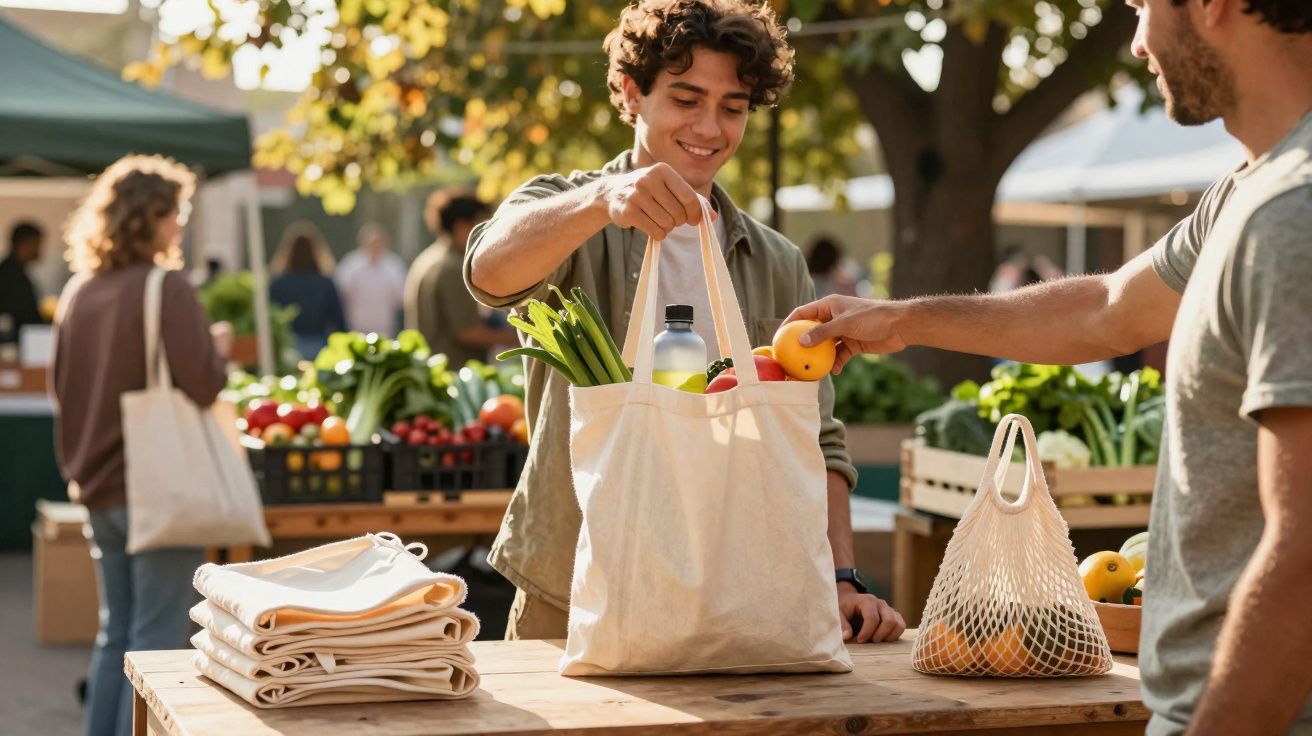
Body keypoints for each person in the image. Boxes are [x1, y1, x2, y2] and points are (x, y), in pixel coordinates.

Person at [787, 1, 1312, 732]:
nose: (1136, 43)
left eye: (1143, 8)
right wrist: (902, 320)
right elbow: (1105, 308)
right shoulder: (1249, 192)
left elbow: (1303, 557)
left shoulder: (1294, 214)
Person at [466, 0, 904, 644]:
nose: (710, 127)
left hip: (741, 587)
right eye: (686, 98)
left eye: (733, 108)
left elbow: (817, 435)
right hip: (579, 580)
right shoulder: (570, 212)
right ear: (631, 92)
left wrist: (843, 578)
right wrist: (600, 202)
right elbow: (488, 272)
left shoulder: (777, 261)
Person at [51, 155, 230, 736]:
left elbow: (63, 388)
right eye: (175, 213)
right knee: (156, 641)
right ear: (148, 217)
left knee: (115, 634)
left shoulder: (79, 291)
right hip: (158, 487)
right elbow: (203, 384)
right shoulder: (165, 287)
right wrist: (216, 347)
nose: (180, 225)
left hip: (96, 486)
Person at [406, 189, 517, 366]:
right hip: (454, 374)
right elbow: (468, 332)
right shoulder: (453, 267)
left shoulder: (428, 259)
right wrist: (527, 337)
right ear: (461, 227)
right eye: (483, 224)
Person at [269, 221, 347, 360]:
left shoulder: (278, 283)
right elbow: (338, 318)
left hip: (288, 346)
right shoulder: (325, 282)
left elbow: (271, 315)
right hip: (318, 344)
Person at [335, 223, 406, 336]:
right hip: (355, 329)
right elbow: (341, 295)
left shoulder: (394, 266)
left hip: (385, 330)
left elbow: (400, 298)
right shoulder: (350, 265)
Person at [0, 221, 44, 333]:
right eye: (37, 244)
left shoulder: (14, 272)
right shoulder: (10, 276)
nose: (40, 249)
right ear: (25, 243)